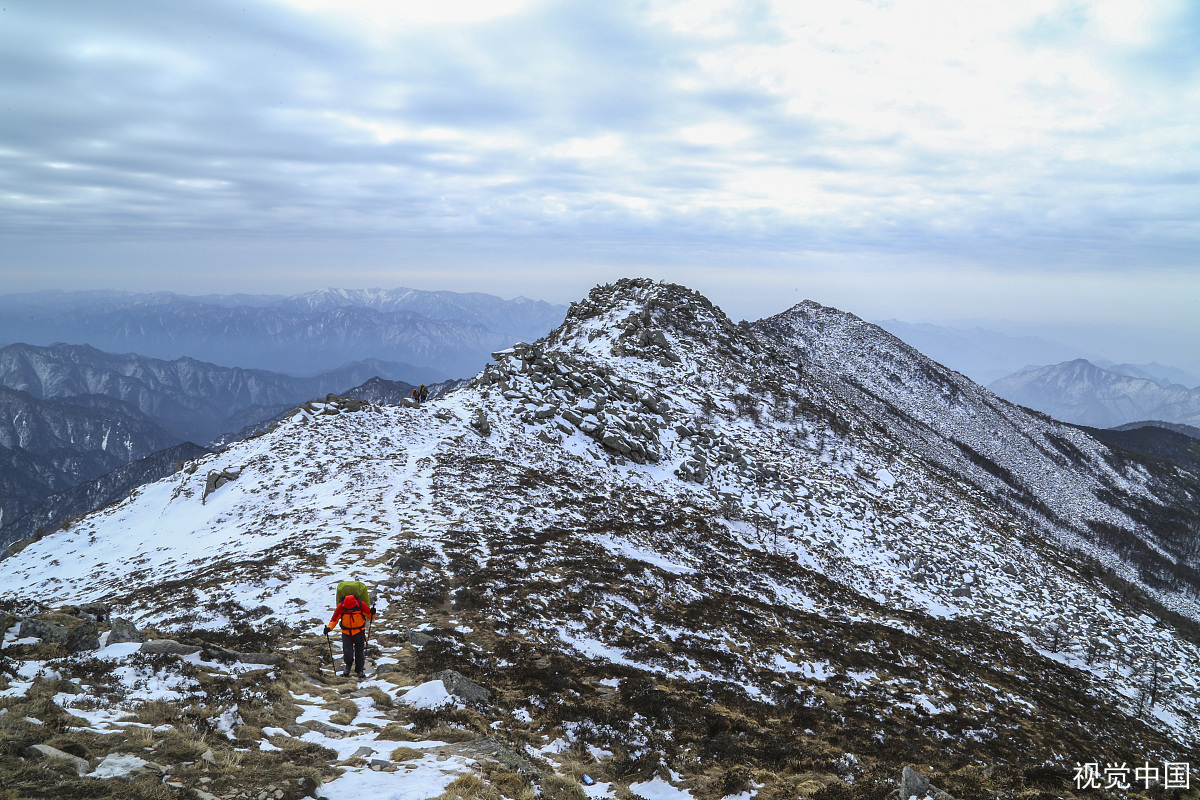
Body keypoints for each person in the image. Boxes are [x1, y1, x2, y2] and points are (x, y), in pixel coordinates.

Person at [326, 592, 374, 678]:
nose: (350, 611)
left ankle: (359, 671)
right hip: (346, 633)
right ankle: (348, 666)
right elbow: (334, 619)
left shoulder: (361, 605)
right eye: (348, 609)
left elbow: (371, 616)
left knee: (359, 653)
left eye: (352, 609)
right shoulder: (341, 607)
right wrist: (329, 628)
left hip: (359, 632)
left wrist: (373, 612)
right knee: (347, 653)